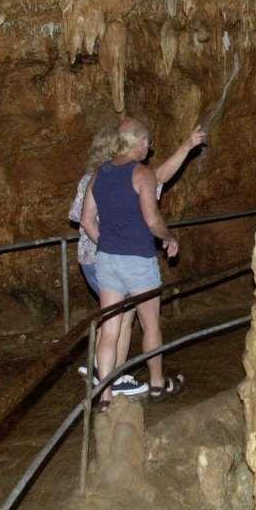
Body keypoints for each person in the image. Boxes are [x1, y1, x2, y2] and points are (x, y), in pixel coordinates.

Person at [68, 123, 205, 394]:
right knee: (143, 320)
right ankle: (138, 380)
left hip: (105, 257)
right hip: (127, 258)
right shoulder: (136, 174)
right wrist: (168, 238)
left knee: (113, 322)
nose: (149, 148)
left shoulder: (99, 175)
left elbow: (83, 217)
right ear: (136, 143)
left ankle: (104, 389)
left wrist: (187, 146)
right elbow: (152, 212)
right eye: (147, 142)